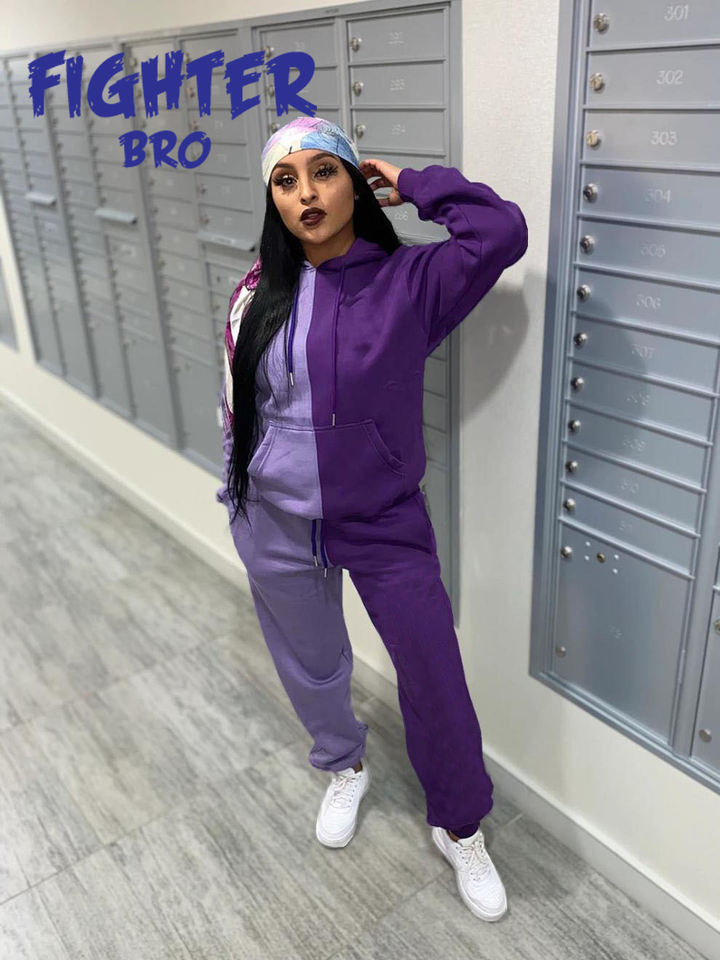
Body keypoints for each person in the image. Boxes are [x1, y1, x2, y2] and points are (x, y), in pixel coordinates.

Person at [215, 116, 528, 921]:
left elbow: (500, 232)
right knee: (312, 663)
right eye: (286, 181)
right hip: (277, 522)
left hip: (383, 518)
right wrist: (239, 494)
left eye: (325, 172)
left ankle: (459, 827)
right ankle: (343, 765)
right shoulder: (254, 291)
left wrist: (415, 183)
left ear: (356, 183)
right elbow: (238, 405)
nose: (307, 194)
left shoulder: (410, 281)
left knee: (433, 674)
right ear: (272, 200)